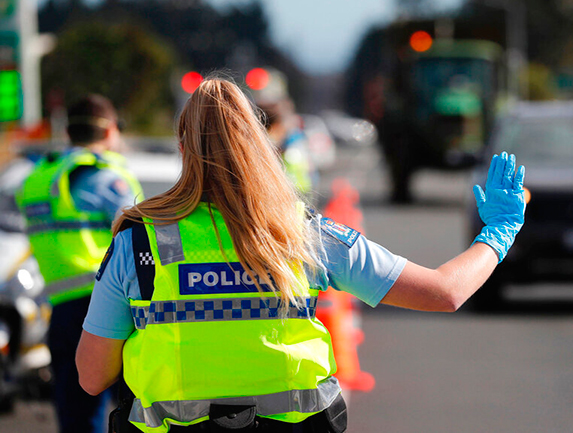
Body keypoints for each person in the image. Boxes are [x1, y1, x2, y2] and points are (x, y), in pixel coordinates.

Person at [74, 78, 525, 433]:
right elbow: (444, 292)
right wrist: (499, 233)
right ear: (259, 143)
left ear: (182, 147)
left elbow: (92, 378)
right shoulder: (303, 234)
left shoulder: (138, 244)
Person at [16, 94, 144, 433]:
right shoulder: (104, 174)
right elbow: (146, 238)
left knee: (76, 415)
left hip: (62, 307)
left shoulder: (39, 178)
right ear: (110, 130)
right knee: (142, 412)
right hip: (112, 301)